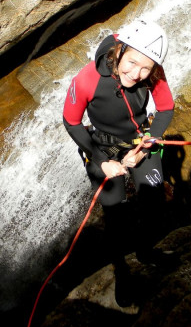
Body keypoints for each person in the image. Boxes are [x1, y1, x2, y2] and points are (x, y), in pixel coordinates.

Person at [62, 19, 176, 298]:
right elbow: (71, 121)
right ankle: (120, 268)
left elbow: (165, 108)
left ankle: (146, 252)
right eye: (132, 62)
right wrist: (100, 159)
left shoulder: (153, 73)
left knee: (153, 199)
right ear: (120, 51)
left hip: (139, 141)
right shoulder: (88, 77)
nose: (136, 73)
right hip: (101, 146)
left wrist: (148, 145)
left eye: (145, 69)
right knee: (116, 214)